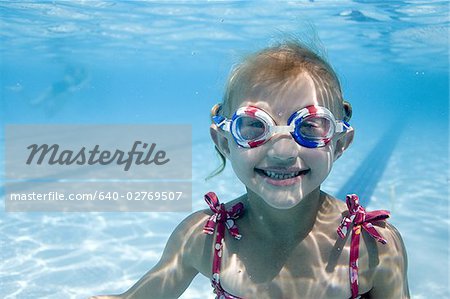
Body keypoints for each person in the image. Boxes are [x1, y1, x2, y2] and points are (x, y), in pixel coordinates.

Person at [91, 40, 410, 299]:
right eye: (254, 126)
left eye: (311, 127)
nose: (283, 151)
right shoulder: (203, 239)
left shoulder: (373, 246)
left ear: (339, 143)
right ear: (224, 142)